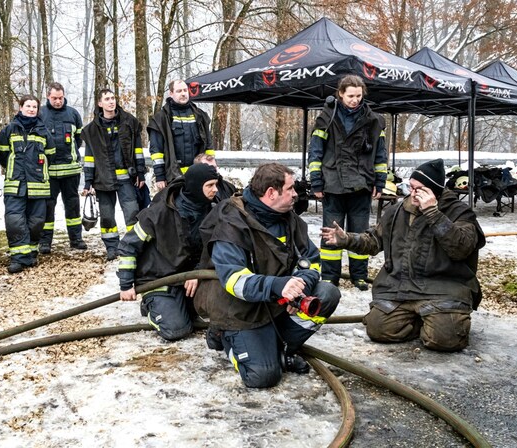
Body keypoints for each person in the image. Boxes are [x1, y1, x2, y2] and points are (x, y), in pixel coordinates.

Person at [195, 163, 341, 388]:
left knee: (327, 293)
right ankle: (225, 336)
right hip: (240, 309)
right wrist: (278, 286)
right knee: (262, 376)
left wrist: (298, 289)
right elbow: (234, 280)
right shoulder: (231, 222)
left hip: (276, 302)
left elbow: (311, 261)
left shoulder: (288, 219)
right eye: (290, 189)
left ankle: (279, 347)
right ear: (271, 193)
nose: (296, 194)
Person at [321, 159, 486, 352]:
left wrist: (433, 214)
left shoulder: (459, 213)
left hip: (443, 288)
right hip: (400, 287)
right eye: (411, 187)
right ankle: (421, 320)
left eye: (420, 189)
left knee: (446, 340)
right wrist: (346, 239)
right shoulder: (397, 210)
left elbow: (461, 248)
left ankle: (437, 321)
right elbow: (374, 240)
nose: (413, 193)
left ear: (435, 191)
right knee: (377, 329)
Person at [117, 164, 220, 341]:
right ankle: (151, 306)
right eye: (210, 185)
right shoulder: (159, 213)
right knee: (176, 330)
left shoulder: (211, 210)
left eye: (215, 184)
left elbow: (213, 248)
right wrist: (126, 284)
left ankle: (179, 305)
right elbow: (128, 245)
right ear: (196, 186)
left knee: (217, 313)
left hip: (189, 278)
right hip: (158, 279)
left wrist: (197, 271)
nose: (215, 190)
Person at [308, 74, 388, 291]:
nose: (355, 100)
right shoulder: (326, 118)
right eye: (351, 95)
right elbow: (315, 152)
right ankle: (329, 277)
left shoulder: (374, 121)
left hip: (361, 186)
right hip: (332, 184)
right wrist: (316, 182)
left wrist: (380, 182)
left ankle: (359, 276)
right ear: (340, 94)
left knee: (359, 234)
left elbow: (381, 155)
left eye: (359, 96)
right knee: (331, 235)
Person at [81, 89, 146, 260]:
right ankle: (112, 247)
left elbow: (138, 151)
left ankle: (133, 246)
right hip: (103, 179)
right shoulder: (91, 130)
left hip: (127, 179)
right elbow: (89, 158)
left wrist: (141, 172)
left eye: (113, 98)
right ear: (100, 103)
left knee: (132, 213)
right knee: (107, 216)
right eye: (107, 99)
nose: (111, 102)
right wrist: (88, 182)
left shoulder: (129, 122)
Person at [0, 95, 55, 273]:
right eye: (28, 106)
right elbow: (2, 155)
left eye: (34, 106)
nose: (31, 109)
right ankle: (18, 258)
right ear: (20, 107)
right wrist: (15, 168)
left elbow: (50, 155)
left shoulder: (44, 131)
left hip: (39, 185)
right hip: (15, 184)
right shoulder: (9, 130)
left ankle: (30, 254)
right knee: (15, 221)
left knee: (37, 221)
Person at [38, 82, 87, 253]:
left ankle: (76, 238)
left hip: (71, 171)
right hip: (48, 172)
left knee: (72, 205)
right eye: (54, 98)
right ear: (48, 97)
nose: (58, 101)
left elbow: (78, 139)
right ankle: (45, 242)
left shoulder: (73, 113)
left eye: (60, 98)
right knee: (47, 207)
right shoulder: (40, 113)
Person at [148, 79, 214, 191]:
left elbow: (208, 145)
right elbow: (156, 152)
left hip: (198, 175)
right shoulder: (161, 119)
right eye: (179, 91)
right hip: (173, 177)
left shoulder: (200, 115)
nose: (183, 94)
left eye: (185, 90)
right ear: (171, 93)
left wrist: (211, 168)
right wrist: (160, 176)